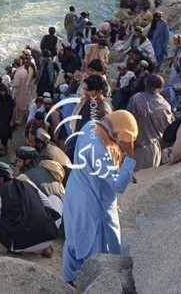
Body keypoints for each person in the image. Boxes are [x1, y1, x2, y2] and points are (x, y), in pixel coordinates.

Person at [62, 111, 138, 284]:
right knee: (98, 246)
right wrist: (130, 157)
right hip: (93, 202)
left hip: (76, 192)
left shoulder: (91, 126)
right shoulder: (97, 149)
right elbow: (118, 186)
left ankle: (69, 280)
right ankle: (97, 283)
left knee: (75, 238)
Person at [0, 160, 60, 257]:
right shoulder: (28, 183)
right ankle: (44, 248)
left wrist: (2, 248)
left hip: (20, 246)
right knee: (54, 198)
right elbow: (48, 204)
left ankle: (38, 248)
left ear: (1, 179)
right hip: (49, 237)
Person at [127, 74, 174, 171]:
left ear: (145, 84)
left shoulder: (136, 99)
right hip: (153, 147)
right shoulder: (165, 106)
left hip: (134, 146)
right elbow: (168, 129)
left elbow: (128, 120)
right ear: (161, 88)